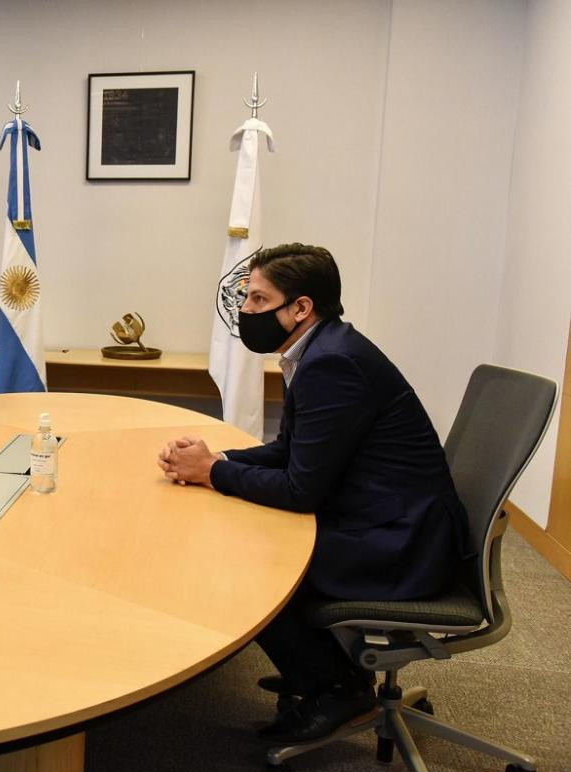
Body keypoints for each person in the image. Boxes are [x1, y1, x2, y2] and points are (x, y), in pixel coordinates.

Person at [157, 243, 467, 745]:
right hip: (388, 516)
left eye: (259, 300)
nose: (246, 311)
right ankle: (323, 667)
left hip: (402, 545)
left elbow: (301, 489)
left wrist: (211, 472)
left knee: (251, 561)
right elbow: (291, 450)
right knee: (249, 529)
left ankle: (334, 688)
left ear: (300, 308)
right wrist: (221, 460)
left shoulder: (331, 364)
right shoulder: (323, 347)